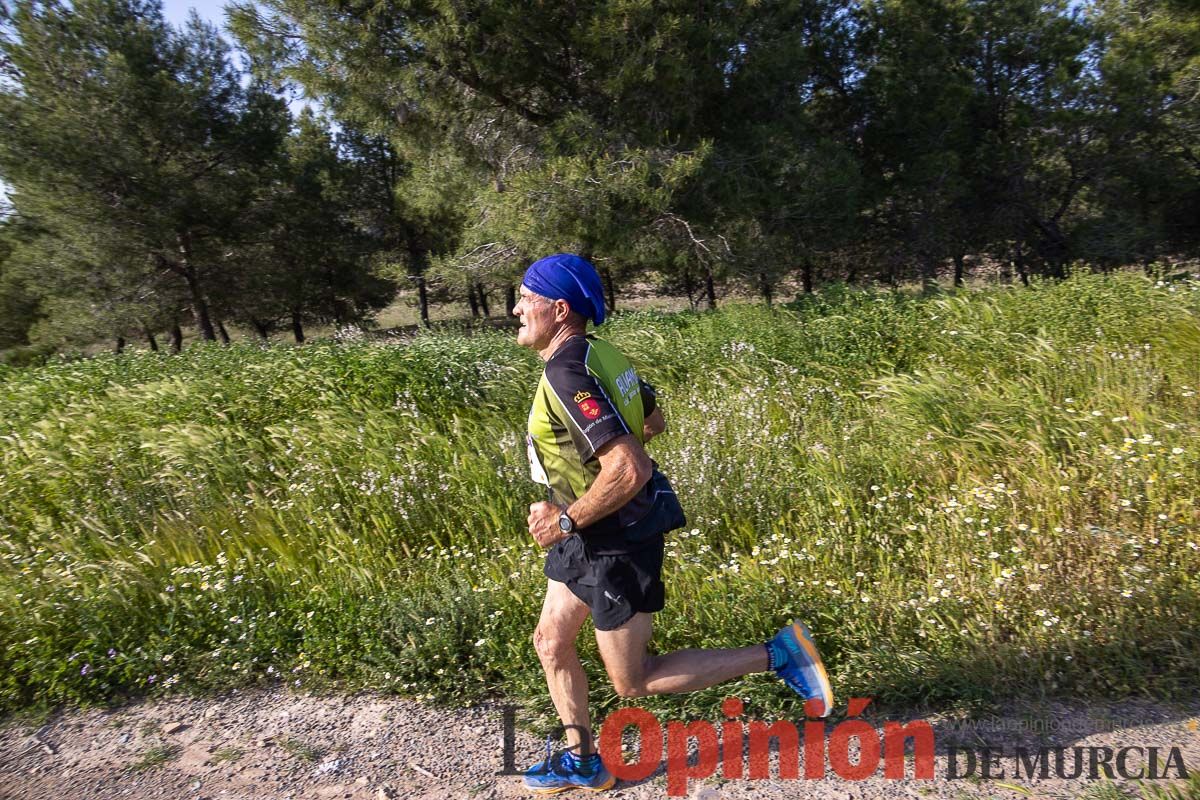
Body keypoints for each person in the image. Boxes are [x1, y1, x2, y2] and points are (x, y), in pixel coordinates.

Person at [515, 253, 833, 794]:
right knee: (551, 642)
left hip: (613, 540)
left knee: (632, 681)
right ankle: (582, 761)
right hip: (590, 532)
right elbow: (652, 421)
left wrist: (569, 516)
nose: (517, 308)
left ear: (559, 309)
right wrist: (586, 477)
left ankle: (780, 654)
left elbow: (631, 466)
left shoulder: (567, 373)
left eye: (526, 297)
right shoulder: (602, 355)